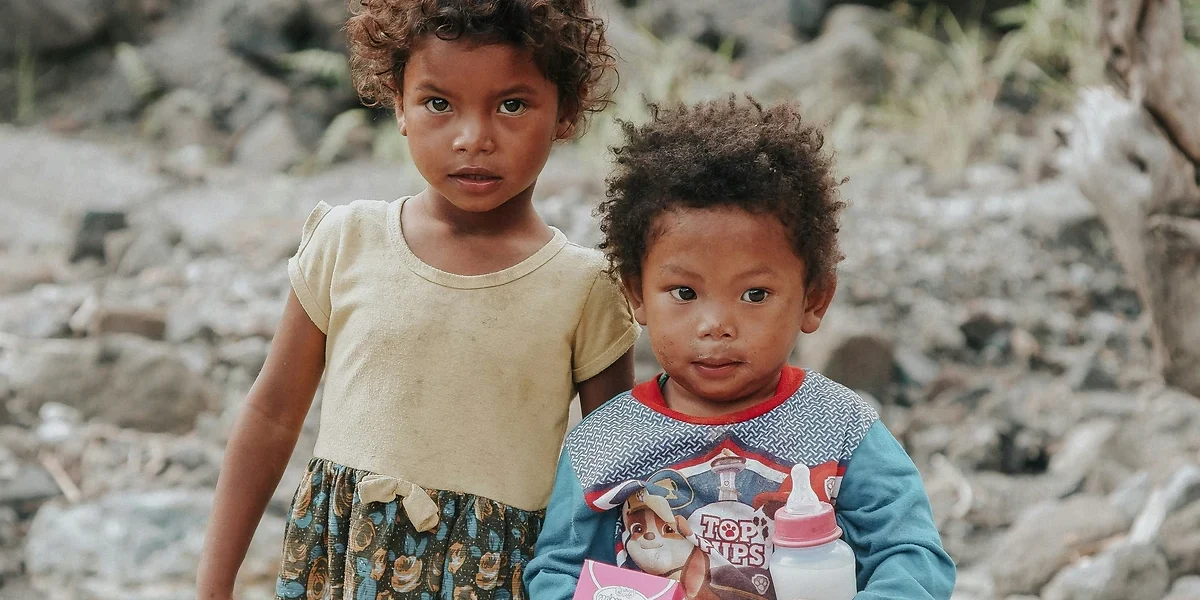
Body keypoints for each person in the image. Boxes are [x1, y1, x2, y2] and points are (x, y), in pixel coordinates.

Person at [195, 2, 639, 599]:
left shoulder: (584, 287)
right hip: (342, 571)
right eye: (438, 103)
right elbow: (272, 417)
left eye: (512, 104)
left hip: (496, 582)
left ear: (565, 109)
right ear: (398, 103)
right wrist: (212, 586)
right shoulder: (347, 241)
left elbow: (613, 474)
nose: (473, 138)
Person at [525, 98, 956, 600]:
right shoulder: (604, 443)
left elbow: (911, 556)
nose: (716, 326)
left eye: (755, 295)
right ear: (637, 295)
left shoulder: (841, 429)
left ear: (813, 300)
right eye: (684, 293)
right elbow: (558, 574)